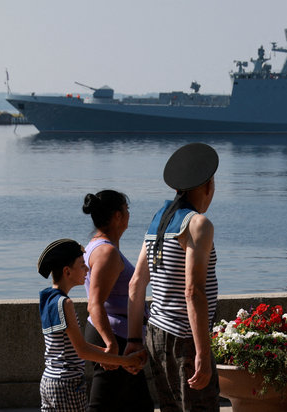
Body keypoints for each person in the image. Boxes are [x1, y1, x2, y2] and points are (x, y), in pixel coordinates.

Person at [125, 142, 220, 412]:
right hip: (185, 339)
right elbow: (193, 291)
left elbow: (136, 284)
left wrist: (134, 341)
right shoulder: (197, 224)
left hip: (156, 334)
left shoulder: (160, 220)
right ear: (207, 185)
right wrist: (202, 353)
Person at [37, 238, 147, 411]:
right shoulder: (65, 304)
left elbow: (71, 346)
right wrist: (124, 361)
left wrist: (105, 353)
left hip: (49, 381)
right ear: (67, 271)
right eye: (82, 265)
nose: (87, 269)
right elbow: (82, 351)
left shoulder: (47, 299)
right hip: (68, 384)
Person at [82, 190, 153, 411]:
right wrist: (110, 344)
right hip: (114, 338)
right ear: (117, 216)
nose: (129, 215)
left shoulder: (99, 247)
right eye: (126, 210)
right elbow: (95, 303)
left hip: (118, 336)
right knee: (102, 405)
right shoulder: (106, 253)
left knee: (138, 405)